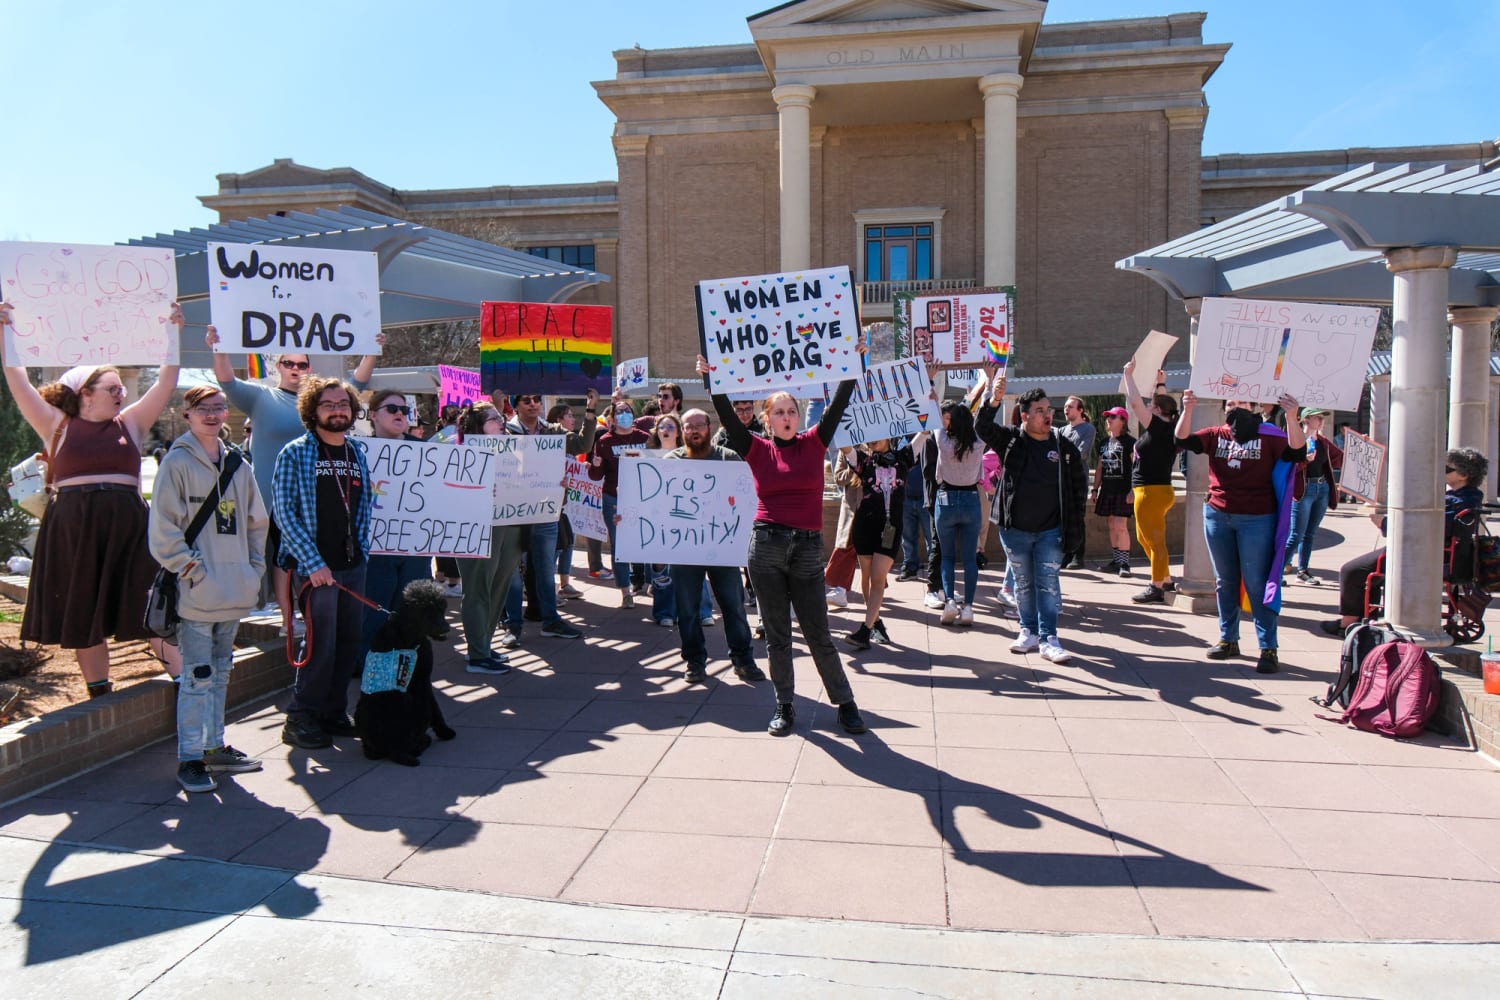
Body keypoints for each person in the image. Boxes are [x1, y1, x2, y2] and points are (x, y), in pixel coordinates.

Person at [2, 301, 185, 696]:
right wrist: (6, 331)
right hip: (74, 527)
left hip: (129, 526)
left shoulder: (131, 422)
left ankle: (185, 683)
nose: (121, 393)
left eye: (122, 388)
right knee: (83, 605)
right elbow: (17, 380)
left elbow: (166, 381)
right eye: (113, 388)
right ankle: (99, 693)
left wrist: (172, 332)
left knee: (149, 602)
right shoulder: (56, 423)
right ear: (85, 393)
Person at [701, 349, 870, 737]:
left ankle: (845, 704)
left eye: (792, 410)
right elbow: (725, 414)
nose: (787, 417)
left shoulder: (815, 441)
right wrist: (712, 379)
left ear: (800, 414)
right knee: (777, 634)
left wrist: (853, 363)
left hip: (808, 549)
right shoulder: (756, 448)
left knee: (818, 632)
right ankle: (785, 704)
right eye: (778, 412)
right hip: (766, 548)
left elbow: (841, 401)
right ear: (767, 419)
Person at [207, 326, 381, 632]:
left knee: (308, 558)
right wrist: (218, 347)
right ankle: (288, 619)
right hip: (273, 498)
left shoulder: (323, 404)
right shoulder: (261, 397)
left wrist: (372, 349)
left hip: (317, 497)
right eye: (289, 363)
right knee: (282, 559)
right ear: (279, 367)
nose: (296, 369)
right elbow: (226, 381)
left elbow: (355, 384)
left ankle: (303, 614)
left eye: (302, 364)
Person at [148, 385, 268, 792]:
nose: (213, 415)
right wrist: (190, 570)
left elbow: (256, 522)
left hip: (233, 590)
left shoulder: (238, 463)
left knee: (221, 673)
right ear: (187, 414)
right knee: (197, 675)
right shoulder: (177, 463)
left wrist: (253, 569)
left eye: (219, 408)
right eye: (204, 409)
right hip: (198, 592)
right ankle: (190, 757)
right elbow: (162, 528)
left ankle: (214, 747)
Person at [272, 375, 376, 747]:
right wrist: (314, 564)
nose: (337, 411)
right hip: (315, 568)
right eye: (329, 405)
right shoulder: (296, 452)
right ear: (312, 411)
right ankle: (300, 716)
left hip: (352, 566)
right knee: (321, 645)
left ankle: (332, 712)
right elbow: (284, 513)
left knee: (348, 643)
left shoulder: (356, 452)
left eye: (343, 405)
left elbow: (362, 508)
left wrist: (361, 552)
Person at [1175, 392, 1306, 674]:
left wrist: (1293, 417)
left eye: (1242, 403)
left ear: (1255, 407)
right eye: (1231, 404)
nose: (1236, 408)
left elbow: (1297, 452)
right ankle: (1228, 638)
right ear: (1225, 409)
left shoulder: (1270, 436)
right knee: (1225, 581)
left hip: (1257, 518)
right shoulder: (1216, 434)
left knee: (1258, 583)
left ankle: (1268, 647)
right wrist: (1187, 409)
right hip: (1218, 515)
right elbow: (1182, 440)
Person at [975, 373, 1087, 664]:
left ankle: (1050, 638)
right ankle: (1028, 632)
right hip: (1016, 531)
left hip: (1051, 531)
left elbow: (1078, 487)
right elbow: (982, 427)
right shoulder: (1012, 440)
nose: (1047, 415)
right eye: (1039, 411)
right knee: (1023, 584)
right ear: (1024, 416)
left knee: (1047, 583)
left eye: (1048, 409)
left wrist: (1075, 523)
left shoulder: (1063, 447)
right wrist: (994, 398)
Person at [1321, 447, 1489, 636]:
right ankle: (1364, 618)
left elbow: (1431, 526)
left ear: (1464, 475)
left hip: (1421, 552)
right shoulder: (1466, 497)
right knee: (1366, 572)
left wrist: (1385, 523)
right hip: (1431, 550)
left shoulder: (1461, 500)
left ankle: (1348, 622)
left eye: (1447, 469)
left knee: (1352, 570)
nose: (1442, 471)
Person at [665, 409, 765, 685]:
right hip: (684, 548)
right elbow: (655, 504)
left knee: (733, 606)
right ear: (682, 432)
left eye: (699, 425)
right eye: (689, 427)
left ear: (709, 428)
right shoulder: (670, 462)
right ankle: (695, 661)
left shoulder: (728, 458)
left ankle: (743, 659)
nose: (695, 431)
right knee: (687, 609)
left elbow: (746, 495)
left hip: (722, 547)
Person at [506, 388, 599, 639]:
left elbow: (583, 444)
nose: (534, 404)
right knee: (513, 571)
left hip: (547, 510)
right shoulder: (505, 432)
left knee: (546, 570)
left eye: (537, 399)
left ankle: (551, 620)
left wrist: (590, 409)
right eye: (527, 400)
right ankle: (512, 624)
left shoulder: (552, 431)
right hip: (512, 513)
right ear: (516, 404)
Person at [358, 390, 433, 653]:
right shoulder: (358, 451)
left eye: (404, 410)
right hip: (377, 549)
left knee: (411, 611)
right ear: (374, 415)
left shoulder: (428, 451)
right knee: (374, 610)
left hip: (415, 548)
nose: (400, 414)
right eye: (392, 409)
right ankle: (368, 665)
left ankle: (406, 665)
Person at [451, 401, 523, 670]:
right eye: (493, 419)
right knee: (479, 589)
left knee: (498, 588)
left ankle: (484, 645)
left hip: (510, 526)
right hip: (478, 526)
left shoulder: (514, 450)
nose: (501, 421)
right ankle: (477, 655)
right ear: (477, 427)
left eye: (500, 416)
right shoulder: (461, 454)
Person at [844, 434, 923, 648]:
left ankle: (865, 630)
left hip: (890, 528)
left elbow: (923, 433)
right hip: (865, 526)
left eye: (877, 436)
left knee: (878, 577)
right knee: (867, 576)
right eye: (870, 437)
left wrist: (930, 403)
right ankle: (875, 622)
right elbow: (845, 447)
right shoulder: (863, 461)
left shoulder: (903, 458)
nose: (872, 440)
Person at [1122, 361, 1180, 604]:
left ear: (1156, 411)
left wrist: (1128, 375)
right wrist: (1161, 384)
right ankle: (1164, 578)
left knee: (1154, 540)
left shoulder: (1157, 428)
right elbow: (1163, 404)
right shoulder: (1171, 427)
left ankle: (1157, 586)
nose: (1148, 406)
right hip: (1160, 490)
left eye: (1152, 405)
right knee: (1146, 537)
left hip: (1151, 491)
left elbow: (1135, 403)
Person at [589, 398, 651, 608]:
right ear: (612, 419)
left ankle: (652, 583)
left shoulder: (645, 438)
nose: (624, 414)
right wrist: (595, 465)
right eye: (620, 411)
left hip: (642, 499)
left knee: (647, 539)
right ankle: (625, 591)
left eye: (628, 411)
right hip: (614, 500)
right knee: (619, 544)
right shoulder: (604, 441)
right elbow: (596, 476)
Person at [931, 398, 987, 626]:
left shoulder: (944, 441)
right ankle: (969, 607)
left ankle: (951, 601)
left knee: (947, 557)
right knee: (969, 558)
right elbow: (986, 416)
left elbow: (933, 415)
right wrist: (990, 385)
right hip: (971, 499)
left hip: (946, 499)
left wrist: (932, 388)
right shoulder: (979, 442)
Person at [1284, 407, 1344, 584]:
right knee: (1296, 534)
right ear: (1306, 420)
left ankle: (1303, 570)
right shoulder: (1296, 441)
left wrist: (1360, 444)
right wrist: (1305, 461)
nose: (1322, 421)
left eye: (1322, 418)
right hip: (1303, 491)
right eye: (1318, 418)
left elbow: (1339, 458)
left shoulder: (1322, 441)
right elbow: (1289, 469)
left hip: (1321, 488)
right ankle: (1277, 571)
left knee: (1310, 533)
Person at [1091, 407, 1136, 579]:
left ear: (1122, 421)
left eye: (1113, 417)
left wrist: (1133, 490)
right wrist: (1095, 489)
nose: (1108, 419)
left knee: (1120, 525)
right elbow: (1100, 468)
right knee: (1111, 525)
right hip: (1107, 489)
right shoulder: (1104, 443)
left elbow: (1137, 468)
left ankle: (1125, 563)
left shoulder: (1131, 443)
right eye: (1108, 417)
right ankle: (1116, 561)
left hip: (1123, 490)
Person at [547, 402, 585, 602]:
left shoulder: (570, 444)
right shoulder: (552, 443)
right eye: (569, 416)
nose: (573, 419)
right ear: (558, 421)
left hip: (566, 502)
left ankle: (564, 583)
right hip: (553, 503)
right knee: (557, 545)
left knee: (568, 541)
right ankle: (549, 588)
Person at [1059, 396, 1096, 570]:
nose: (1067, 409)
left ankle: (1078, 556)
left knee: (1077, 517)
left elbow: (1082, 454)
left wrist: (1065, 457)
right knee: (1063, 517)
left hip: (1078, 478)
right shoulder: (1062, 431)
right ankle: (1066, 554)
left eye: (1071, 407)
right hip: (1062, 478)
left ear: (1080, 410)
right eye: (1066, 407)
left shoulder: (1088, 429)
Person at [896, 457, 932, 582]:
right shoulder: (898, 439)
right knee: (907, 536)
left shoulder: (929, 438)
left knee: (932, 537)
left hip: (926, 496)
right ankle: (910, 567)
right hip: (905, 495)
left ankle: (935, 570)